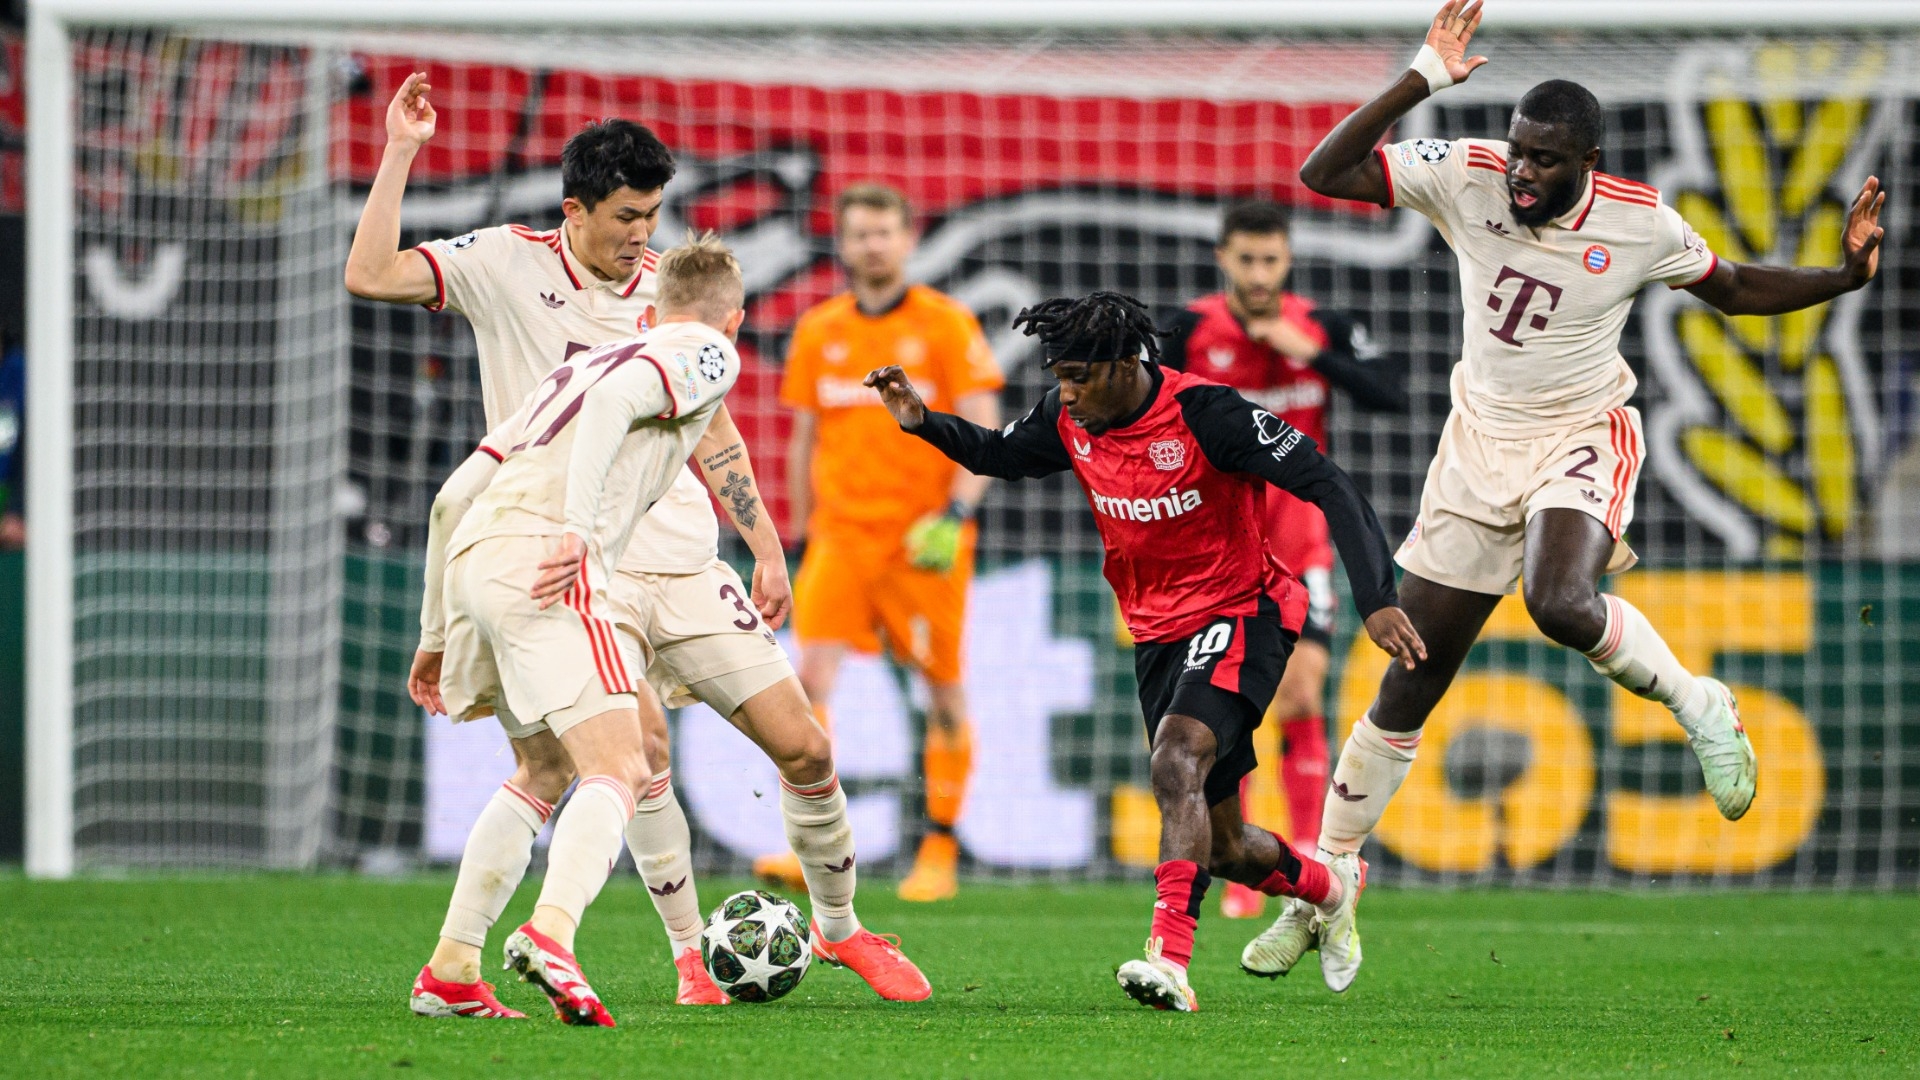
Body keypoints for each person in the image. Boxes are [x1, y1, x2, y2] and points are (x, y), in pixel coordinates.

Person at [1243, 0, 1887, 993]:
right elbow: (1322, 173)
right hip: (1475, 450)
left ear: (1588, 157)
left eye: (1546, 159)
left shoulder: (1640, 223)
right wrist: (1420, 78)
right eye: (1519, 153)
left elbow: (1736, 287)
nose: (1526, 174)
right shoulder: (1468, 176)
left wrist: (1841, 279)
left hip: (1584, 434)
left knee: (1559, 603)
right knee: (1407, 675)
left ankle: (1700, 702)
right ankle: (1325, 885)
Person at [349, 76, 924, 1013]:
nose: (641, 237)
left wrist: (767, 545)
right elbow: (370, 276)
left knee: (807, 749)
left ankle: (842, 927)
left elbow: (715, 429)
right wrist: (402, 151)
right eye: (625, 217)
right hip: (571, 564)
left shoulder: (673, 290)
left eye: (653, 214)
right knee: (633, 756)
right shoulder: (501, 263)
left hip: (685, 561)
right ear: (574, 210)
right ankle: (690, 962)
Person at [863, 291, 1425, 1013]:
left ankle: (1171, 961)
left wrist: (1377, 596)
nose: (1066, 393)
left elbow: (1328, 482)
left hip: (1243, 608)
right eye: (1060, 375)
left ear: (1129, 363)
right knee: (1223, 846)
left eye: (1080, 376)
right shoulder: (1069, 418)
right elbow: (1000, 455)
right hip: (1157, 633)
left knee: (1175, 756)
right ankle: (1329, 888)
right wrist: (921, 423)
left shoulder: (1207, 415)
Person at [427, 234, 750, 1024]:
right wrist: (577, 531)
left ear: (652, 303)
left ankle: (452, 970)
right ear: (731, 321)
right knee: (624, 763)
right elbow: (616, 410)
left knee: (543, 770)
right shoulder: (707, 354)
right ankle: (553, 934)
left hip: (475, 560)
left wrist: (436, 631)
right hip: (551, 564)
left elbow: (451, 496)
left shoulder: (572, 368)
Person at [1162, 200, 1407, 919]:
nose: (1260, 273)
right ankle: (1245, 858)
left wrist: (1309, 354)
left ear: (1287, 260)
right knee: (1223, 707)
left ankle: (1309, 849)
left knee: (1301, 694)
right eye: (1247, 259)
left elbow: (1390, 391)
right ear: (1224, 259)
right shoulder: (1188, 330)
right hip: (1217, 542)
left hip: (1300, 539)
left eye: (1272, 259)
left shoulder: (1321, 324)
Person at [772, 183, 1003, 902]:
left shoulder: (945, 324)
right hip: (840, 538)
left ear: (908, 240)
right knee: (807, 689)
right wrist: (801, 534)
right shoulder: (819, 329)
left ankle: (939, 849)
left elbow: (983, 422)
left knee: (943, 693)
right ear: (842, 243)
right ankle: (814, 846)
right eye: (859, 234)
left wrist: (958, 513)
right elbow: (805, 436)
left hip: (922, 540)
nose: (872, 245)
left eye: (884, 233)